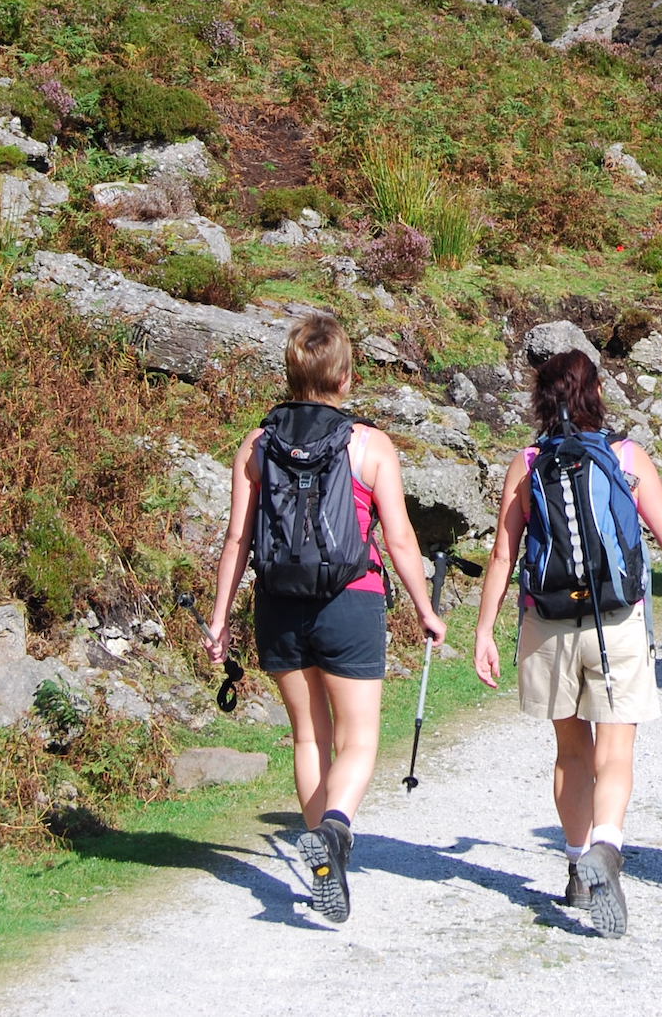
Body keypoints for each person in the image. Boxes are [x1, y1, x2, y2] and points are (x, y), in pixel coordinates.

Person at [205, 314, 447, 926]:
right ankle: (335, 834)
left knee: (309, 738)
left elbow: (237, 539)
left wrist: (218, 621)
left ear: (291, 373)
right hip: (351, 600)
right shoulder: (370, 446)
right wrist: (425, 609)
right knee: (359, 738)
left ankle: (322, 866)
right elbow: (398, 538)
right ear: (345, 375)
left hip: (279, 605)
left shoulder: (256, 446)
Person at [472, 350, 662, 939]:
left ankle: (578, 862)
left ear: (541, 398)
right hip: (618, 621)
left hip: (547, 623)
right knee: (616, 747)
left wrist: (483, 631)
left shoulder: (527, 465)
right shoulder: (626, 458)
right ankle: (607, 844)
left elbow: (504, 553)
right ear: (596, 393)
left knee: (570, 751)